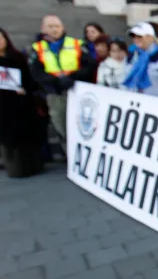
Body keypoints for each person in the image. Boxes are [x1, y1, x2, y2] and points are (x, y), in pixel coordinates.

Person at [29, 15, 95, 152]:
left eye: (57, 26)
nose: (54, 29)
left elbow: (89, 65)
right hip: (56, 94)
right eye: (50, 26)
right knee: (62, 128)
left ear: (63, 27)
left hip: (76, 91)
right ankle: (69, 158)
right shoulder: (37, 48)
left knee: (84, 128)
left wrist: (72, 77)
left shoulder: (77, 44)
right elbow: (36, 72)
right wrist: (56, 81)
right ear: (43, 29)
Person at [0, 28, 43, 177]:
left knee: (27, 136)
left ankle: (34, 166)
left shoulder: (18, 57)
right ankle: (15, 169)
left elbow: (31, 80)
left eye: (1, 38)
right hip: (3, 106)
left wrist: (25, 89)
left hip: (22, 103)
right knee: (9, 139)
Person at [123, 22, 158, 97]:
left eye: (139, 36)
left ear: (150, 37)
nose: (136, 39)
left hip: (157, 104)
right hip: (134, 101)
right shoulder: (130, 57)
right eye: (133, 36)